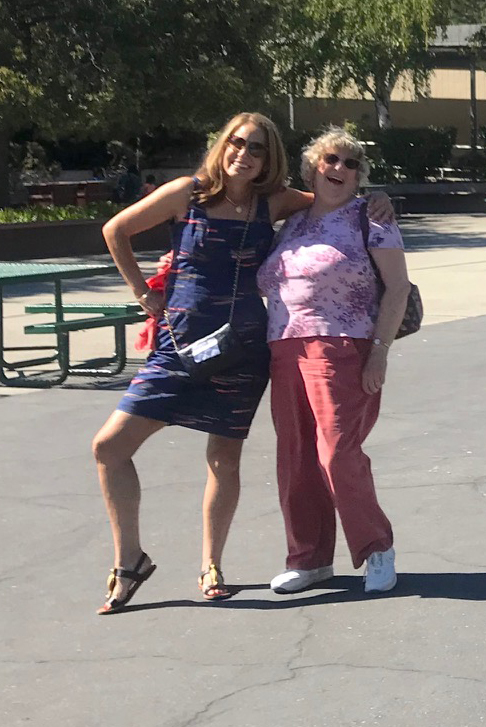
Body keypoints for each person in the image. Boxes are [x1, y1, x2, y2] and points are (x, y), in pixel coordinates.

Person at [93, 113, 394, 614]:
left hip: (241, 349)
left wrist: (378, 196)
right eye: (237, 143)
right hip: (179, 344)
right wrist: (142, 292)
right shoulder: (186, 194)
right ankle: (130, 560)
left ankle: (211, 564)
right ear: (222, 145)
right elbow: (115, 230)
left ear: (268, 159)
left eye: (257, 148)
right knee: (109, 446)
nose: (244, 154)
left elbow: (333, 193)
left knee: (223, 459)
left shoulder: (271, 202)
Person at [257, 127, 411, 595]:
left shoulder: (372, 217)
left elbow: (398, 289)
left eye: (350, 163)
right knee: (296, 456)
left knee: (337, 454)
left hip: (343, 347)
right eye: (330, 159)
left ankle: (376, 547)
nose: (339, 168)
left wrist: (380, 352)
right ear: (312, 168)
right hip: (285, 347)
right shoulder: (292, 222)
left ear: (360, 175)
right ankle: (309, 559)